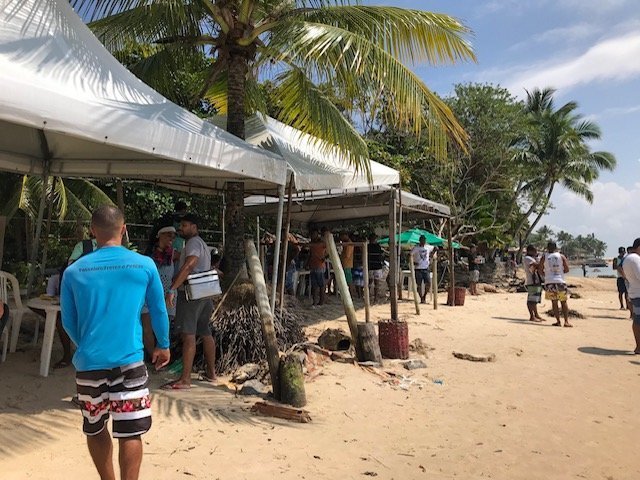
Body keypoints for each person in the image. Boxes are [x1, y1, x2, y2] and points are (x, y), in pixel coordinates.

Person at [60, 205, 170, 480]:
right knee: (130, 430)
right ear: (124, 229)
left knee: (95, 426)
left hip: (89, 364)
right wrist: (163, 344)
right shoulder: (144, 265)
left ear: (92, 232)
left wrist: (86, 345)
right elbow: (158, 311)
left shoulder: (74, 272)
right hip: (129, 362)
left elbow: (68, 322)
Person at [165, 214, 217, 389]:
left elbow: (189, 265)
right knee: (205, 331)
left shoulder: (193, 243)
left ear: (194, 227)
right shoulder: (202, 243)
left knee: (188, 335)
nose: (182, 228)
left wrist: (173, 288)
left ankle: (185, 379)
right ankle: (211, 373)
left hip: (191, 292)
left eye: (185, 225)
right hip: (206, 292)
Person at [141, 226, 178, 358]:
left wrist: (172, 291)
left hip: (167, 295)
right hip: (148, 295)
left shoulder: (173, 254)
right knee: (148, 328)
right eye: (168, 235)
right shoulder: (147, 255)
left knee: (164, 328)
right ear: (159, 235)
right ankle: (153, 357)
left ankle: (162, 354)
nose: (171, 238)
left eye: (173, 236)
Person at [539, 241, 572, 327]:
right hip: (560, 281)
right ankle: (566, 321)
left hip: (550, 282)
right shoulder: (561, 256)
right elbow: (567, 269)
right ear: (556, 247)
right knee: (563, 301)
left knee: (554, 302)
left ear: (547, 248)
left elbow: (540, 269)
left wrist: (547, 275)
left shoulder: (544, 257)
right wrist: (560, 273)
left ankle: (558, 321)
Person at [621, 238, 640, 354]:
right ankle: (638, 346)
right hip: (638, 294)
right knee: (638, 321)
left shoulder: (627, 258)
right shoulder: (635, 259)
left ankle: (638, 346)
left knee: (637, 320)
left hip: (634, 292)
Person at [410, 235, 435, 304]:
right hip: (418, 269)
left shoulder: (428, 247)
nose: (423, 242)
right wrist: (413, 262)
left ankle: (424, 296)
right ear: (420, 240)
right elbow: (410, 255)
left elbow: (436, 248)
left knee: (428, 283)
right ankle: (421, 298)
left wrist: (431, 255)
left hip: (425, 268)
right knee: (419, 284)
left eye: (424, 240)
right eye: (422, 240)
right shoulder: (416, 248)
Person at [523, 245, 544, 322]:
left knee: (535, 300)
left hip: (537, 281)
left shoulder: (533, 258)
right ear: (530, 251)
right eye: (535, 251)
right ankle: (532, 316)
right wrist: (542, 260)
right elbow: (536, 266)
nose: (536, 252)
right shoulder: (527, 258)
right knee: (531, 300)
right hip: (532, 281)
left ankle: (536, 314)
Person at [307, 229, 327, 307]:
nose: (313, 236)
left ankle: (321, 301)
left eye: (314, 234)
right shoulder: (311, 244)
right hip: (313, 265)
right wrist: (307, 263)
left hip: (320, 266)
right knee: (314, 285)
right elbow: (310, 255)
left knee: (321, 284)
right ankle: (315, 302)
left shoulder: (322, 243)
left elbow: (328, 252)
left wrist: (324, 258)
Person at [367, 233, 385, 303]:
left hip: (372, 266)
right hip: (375, 266)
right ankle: (374, 298)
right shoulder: (377, 246)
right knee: (374, 283)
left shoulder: (370, 246)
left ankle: (373, 298)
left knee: (371, 282)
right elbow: (381, 255)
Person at [340, 232, 355, 297]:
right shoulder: (347, 243)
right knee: (347, 280)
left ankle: (351, 294)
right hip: (346, 263)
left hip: (347, 264)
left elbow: (347, 255)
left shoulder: (349, 244)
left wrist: (341, 256)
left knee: (349, 280)